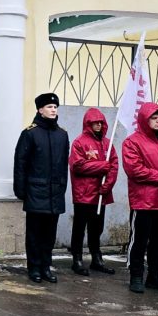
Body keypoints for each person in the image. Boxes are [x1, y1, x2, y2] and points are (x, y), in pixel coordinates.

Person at [122, 102, 158, 294]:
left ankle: (155, 276)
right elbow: (134, 170)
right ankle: (136, 276)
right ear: (144, 120)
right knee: (139, 240)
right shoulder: (132, 142)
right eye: (154, 118)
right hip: (144, 201)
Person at [14, 93, 69, 283]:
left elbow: (64, 165)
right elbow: (20, 163)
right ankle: (34, 268)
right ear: (40, 110)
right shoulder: (30, 133)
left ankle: (46, 266)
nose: (53, 110)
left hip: (55, 192)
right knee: (35, 234)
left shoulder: (62, 134)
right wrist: (21, 190)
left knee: (49, 234)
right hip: (36, 191)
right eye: (49, 107)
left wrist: (62, 187)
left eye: (55, 107)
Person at [67, 107, 117, 276]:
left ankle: (97, 258)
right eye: (94, 123)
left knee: (97, 227)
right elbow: (78, 166)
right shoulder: (79, 143)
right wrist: (101, 166)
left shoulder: (107, 144)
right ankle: (77, 259)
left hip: (100, 194)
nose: (98, 125)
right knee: (80, 228)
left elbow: (114, 166)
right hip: (83, 194)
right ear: (88, 124)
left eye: (100, 122)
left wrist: (108, 185)